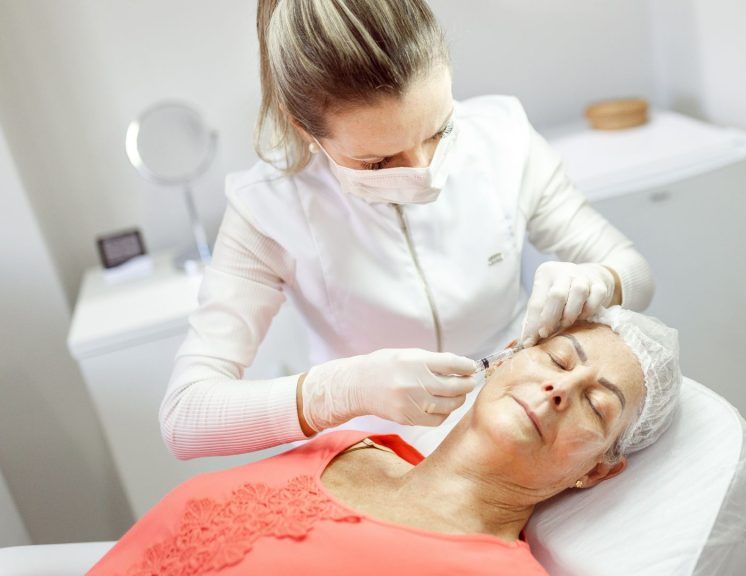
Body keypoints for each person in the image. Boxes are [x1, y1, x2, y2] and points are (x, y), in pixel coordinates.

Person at [160, 0, 654, 460]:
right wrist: (342, 390)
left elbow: (634, 270)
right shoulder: (267, 208)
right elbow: (184, 417)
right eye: (377, 162)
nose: (424, 172)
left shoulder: (503, 139)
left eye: (439, 131)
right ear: (303, 128)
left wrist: (601, 281)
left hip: (516, 430)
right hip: (374, 455)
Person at [94, 308, 679, 575]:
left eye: (598, 405)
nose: (561, 389)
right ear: (505, 358)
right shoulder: (345, 444)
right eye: (558, 359)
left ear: (596, 471)